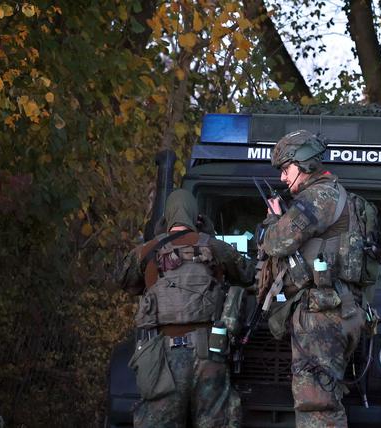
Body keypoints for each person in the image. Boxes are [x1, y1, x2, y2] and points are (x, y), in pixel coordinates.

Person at [116, 188, 254, 427]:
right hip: (209, 354)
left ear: (167, 216)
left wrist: (159, 237)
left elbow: (124, 280)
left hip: (162, 360)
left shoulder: (147, 251)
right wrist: (209, 236)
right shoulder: (214, 247)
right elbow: (247, 274)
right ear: (195, 215)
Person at [258, 129, 365, 427]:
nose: (282, 178)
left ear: (303, 163)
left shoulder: (317, 197)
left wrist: (273, 220)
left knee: (317, 406)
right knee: (323, 401)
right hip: (339, 308)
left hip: (321, 315)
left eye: (285, 169)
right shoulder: (337, 194)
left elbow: (276, 243)